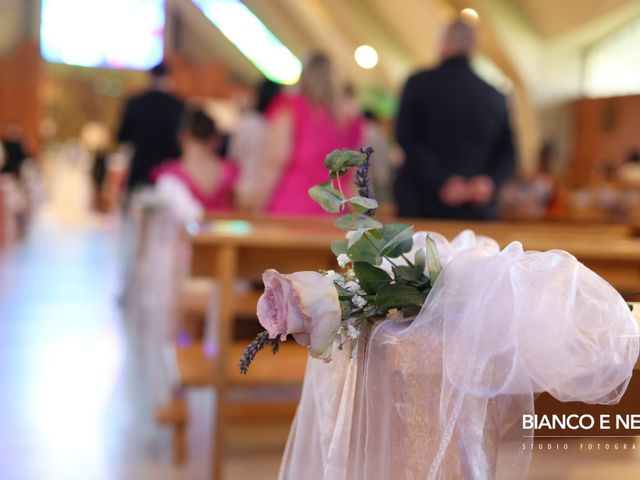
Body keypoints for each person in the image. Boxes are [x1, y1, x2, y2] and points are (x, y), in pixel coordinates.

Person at [395, 19, 515, 219]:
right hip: (477, 211)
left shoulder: (418, 84)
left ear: (445, 43)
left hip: (424, 205)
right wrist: (488, 181)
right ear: (473, 48)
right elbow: (508, 152)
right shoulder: (495, 95)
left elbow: (406, 138)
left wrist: (442, 181)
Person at [252, 53, 363, 215]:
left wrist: (257, 208)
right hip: (334, 214)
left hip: (292, 209)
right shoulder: (349, 122)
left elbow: (273, 162)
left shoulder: (290, 110)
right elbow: (353, 181)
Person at [151, 108, 238, 222]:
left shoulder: (170, 175)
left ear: (182, 136)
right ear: (215, 139)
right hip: (227, 237)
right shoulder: (231, 171)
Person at [117, 62, 185, 195]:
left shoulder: (135, 103)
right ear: (168, 78)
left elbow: (122, 136)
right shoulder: (178, 106)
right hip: (168, 171)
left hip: (140, 168)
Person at [228, 79, 281, 210]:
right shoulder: (278, 125)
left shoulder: (247, 123)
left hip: (245, 187)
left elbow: (234, 157)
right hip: (272, 190)